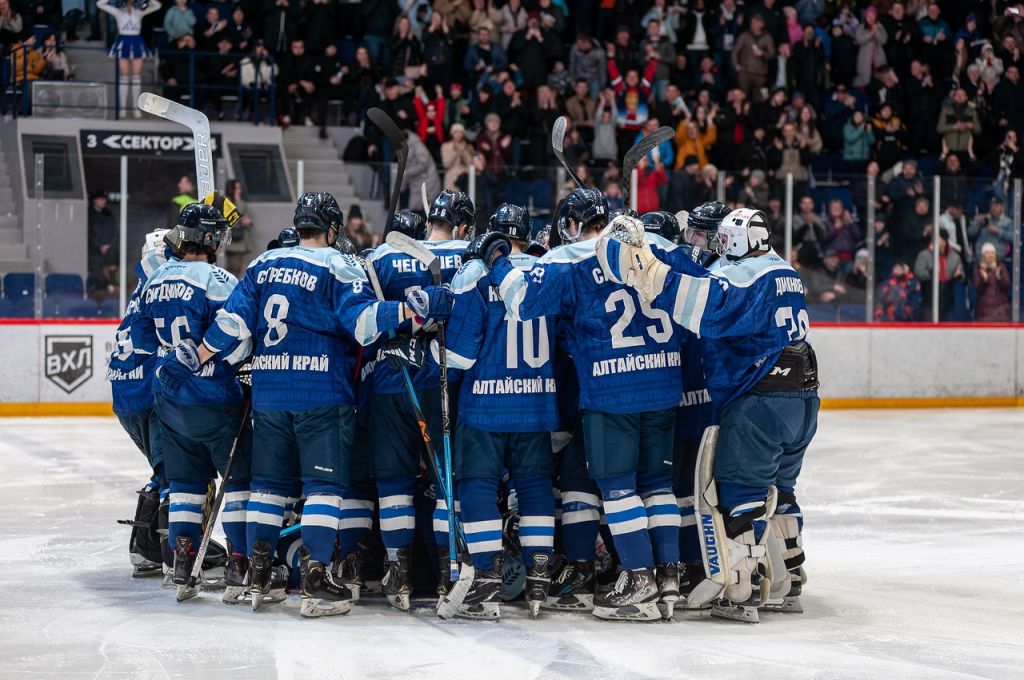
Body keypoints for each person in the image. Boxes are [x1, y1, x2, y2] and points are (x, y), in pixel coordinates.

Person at [185, 192, 454, 617]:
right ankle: (314, 580)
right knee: (324, 489)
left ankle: (259, 575)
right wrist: (412, 310)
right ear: (331, 228)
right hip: (321, 395)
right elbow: (365, 327)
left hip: (270, 393)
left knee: (269, 487)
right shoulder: (338, 265)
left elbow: (231, 327)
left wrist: (197, 355)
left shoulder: (261, 265)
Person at [468, 190, 689, 622]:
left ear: (569, 224)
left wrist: (497, 258)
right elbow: (693, 280)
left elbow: (522, 301)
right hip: (665, 381)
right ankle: (668, 578)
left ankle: (639, 581)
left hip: (612, 390)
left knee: (620, 487)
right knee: (658, 484)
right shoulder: (656, 244)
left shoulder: (567, 259)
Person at [605, 207, 819, 623]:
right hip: (804, 400)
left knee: (741, 496)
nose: (719, 246)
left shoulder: (740, 278)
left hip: (760, 401)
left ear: (738, 242)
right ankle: (790, 577)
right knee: (782, 492)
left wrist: (649, 268)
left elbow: (703, 303)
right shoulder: (783, 269)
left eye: (723, 240)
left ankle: (743, 590)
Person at [434, 202, 558, 619]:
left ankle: (486, 574)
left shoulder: (477, 272)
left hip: (486, 402)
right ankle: (540, 573)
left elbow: (461, 355)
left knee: (479, 483)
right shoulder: (547, 268)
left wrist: (433, 349)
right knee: (536, 482)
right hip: (538, 399)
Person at [129, 203, 249, 604]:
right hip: (215, 399)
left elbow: (140, 336)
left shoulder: (155, 278)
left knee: (184, 486)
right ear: (210, 240)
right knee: (239, 483)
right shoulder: (219, 279)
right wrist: (219, 361)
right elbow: (238, 334)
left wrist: (169, 363)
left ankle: (182, 562)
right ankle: (238, 562)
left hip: (170, 401)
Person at [365, 189, 473, 612]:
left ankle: (400, 575)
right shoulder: (469, 255)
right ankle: (448, 574)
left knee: (393, 483)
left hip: (390, 381)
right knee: (447, 484)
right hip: (443, 380)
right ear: (463, 225)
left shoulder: (381, 256)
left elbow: (367, 314)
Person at [97, 0, 161, 118]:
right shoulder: (117, 11)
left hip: (137, 42)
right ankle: (123, 108)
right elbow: (100, 4)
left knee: (136, 76)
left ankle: (134, 108)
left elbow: (157, 5)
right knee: (124, 77)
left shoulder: (139, 12)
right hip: (123, 42)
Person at [914, 228, 963, 322]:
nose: (935, 242)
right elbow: (918, 272)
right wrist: (932, 273)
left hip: (948, 300)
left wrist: (958, 276)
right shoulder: (924, 255)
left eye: (938, 239)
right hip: (929, 299)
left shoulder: (955, 257)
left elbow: (961, 276)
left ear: (945, 241)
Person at [87, 189, 118, 296]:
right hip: (94, 251)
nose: (103, 201)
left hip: (109, 250)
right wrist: (99, 246)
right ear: (95, 200)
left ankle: (111, 286)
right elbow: (88, 234)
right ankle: (107, 286)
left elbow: (114, 233)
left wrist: (108, 245)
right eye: (101, 199)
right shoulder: (88, 215)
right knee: (96, 268)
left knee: (112, 268)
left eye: (104, 199)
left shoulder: (109, 216)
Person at [973, 243, 1012, 322]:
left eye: (992, 253)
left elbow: (1007, 285)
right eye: (988, 253)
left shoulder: (1001, 267)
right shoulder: (978, 268)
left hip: (1001, 311)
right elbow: (977, 289)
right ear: (983, 256)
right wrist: (984, 280)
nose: (990, 255)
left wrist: (999, 277)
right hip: (984, 311)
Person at [222, 180, 252, 279]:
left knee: (238, 268)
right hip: (231, 241)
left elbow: (244, 215)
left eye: (239, 188)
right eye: (237, 188)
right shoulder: (227, 202)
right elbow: (232, 218)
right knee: (232, 268)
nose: (239, 190)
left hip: (239, 239)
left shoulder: (241, 202)